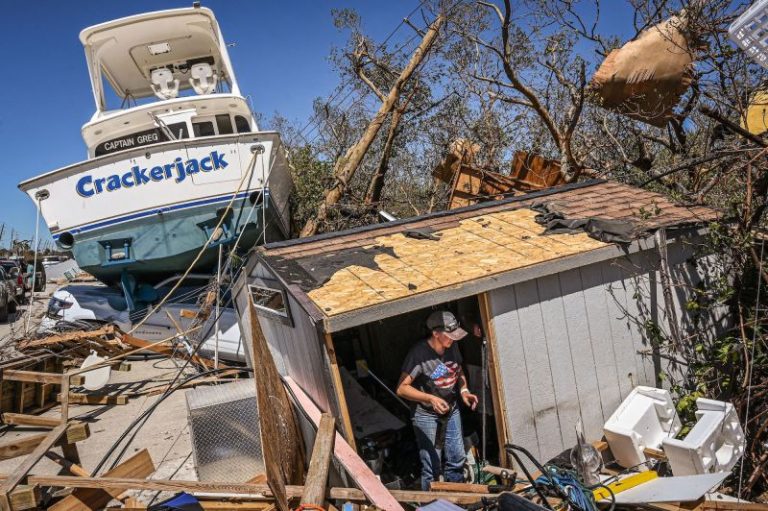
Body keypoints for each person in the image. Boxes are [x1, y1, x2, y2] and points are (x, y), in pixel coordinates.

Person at [396, 310, 479, 490]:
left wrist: (464, 390)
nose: (453, 339)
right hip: (426, 414)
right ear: (435, 333)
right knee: (432, 465)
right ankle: (432, 502)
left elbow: (458, 369)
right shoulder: (418, 354)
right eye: (450, 335)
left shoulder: (452, 346)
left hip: (451, 408)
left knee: (457, 458)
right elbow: (402, 388)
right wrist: (430, 398)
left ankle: (458, 498)